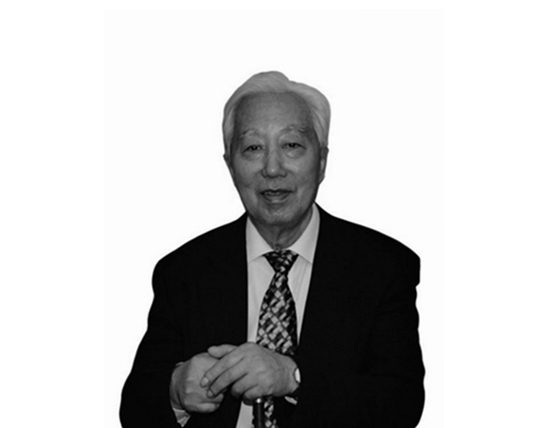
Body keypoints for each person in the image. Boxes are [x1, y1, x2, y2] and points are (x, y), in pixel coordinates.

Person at [120, 71, 425, 428]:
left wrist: (292, 377)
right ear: (230, 165)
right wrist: (175, 391)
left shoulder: (383, 267)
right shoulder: (184, 271)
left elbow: (401, 404)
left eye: (291, 145)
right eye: (253, 148)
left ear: (322, 161)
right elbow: (134, 410)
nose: (272, 168)